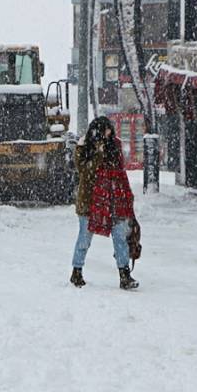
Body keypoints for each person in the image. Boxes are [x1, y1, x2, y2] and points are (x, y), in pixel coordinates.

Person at [70, 116, 139, 290]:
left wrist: (126, 196)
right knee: (84, 239)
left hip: (113, 199)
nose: (108, 136)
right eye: (105, 132)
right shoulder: (83, 146)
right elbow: (85, 171)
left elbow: (119, 171)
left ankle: (124, 275)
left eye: (110, 132)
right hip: (89, 201)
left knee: (120, 238)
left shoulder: (113, 145)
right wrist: (99, 153)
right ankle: (76, 271)